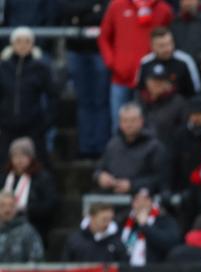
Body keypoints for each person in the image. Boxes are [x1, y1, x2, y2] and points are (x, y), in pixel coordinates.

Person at [99, 0, 173, 129]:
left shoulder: (163, 9)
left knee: (147, 126)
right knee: (119, 125)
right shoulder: (117, 6)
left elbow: (168, 40)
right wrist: (112, 63)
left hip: (149, 83)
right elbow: (104, 37)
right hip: (121, 78)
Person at [59, 0, 111, 158]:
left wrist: (79, 16)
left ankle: (101, 146)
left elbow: (106, 14)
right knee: (84, 101)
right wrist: (91, 9)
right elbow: (65, 8)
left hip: (99, 51)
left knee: (100, 101)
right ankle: (86, 146)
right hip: (76, 50)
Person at [0, 27, 58, 165]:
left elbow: (53, 96)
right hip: (6, 127)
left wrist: (46, 123)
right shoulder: (3, 68)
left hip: (33, 128)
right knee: (3, 166)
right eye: (18, 41)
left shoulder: (41, 68)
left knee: (40, 165)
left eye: (27, 41)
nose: (22, 45)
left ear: (32, 44)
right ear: (12, 44)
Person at [95, 103, 169, 195]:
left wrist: (132, 185)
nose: (129, 125)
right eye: (125, 121)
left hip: (143, 201)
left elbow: (161, 179)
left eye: (133, 120)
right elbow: (99, 169)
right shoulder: (112, 145)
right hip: (114, 199)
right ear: (120, 123)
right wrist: (100, 176)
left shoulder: (154, 147)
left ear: (141, 121)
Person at [1, 137, 57, 242]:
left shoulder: (42, 178)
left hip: (33, 227)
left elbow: (49, 205)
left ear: (31, 157)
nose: (19, 160)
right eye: (15, 156)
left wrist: (25, 209)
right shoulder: (5, 178)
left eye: (23, 155)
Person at [138, 61, 189, 156]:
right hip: (141, 153)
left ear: (168, 84)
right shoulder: (139, 101)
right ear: (146, 82)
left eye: (161, 81)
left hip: (168, 153)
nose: (157, 84)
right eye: (153, 80)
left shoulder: (178, 103)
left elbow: (183, 133)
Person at [120, 188, 180, 265]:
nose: (141, 204)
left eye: (145, 200)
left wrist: (145, 226)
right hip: (128, 271)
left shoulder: (164, 220)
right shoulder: (125, 222)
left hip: (154, 271)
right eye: (137, 200)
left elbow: (171, 243)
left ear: (152, 202)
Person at [61, 202, 128, 263]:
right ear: (92, 217)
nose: (107, 223)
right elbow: (66, 266)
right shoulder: (75, 240)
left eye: (110, 219)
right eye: (104, 219)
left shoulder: (116, 241)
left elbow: (124, 266)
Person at [0, 190, 44, 263]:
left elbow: (37, 260)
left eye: (11, 206)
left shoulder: (28, 232)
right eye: (2, 205)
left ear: (16, 208)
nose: (7, 210)